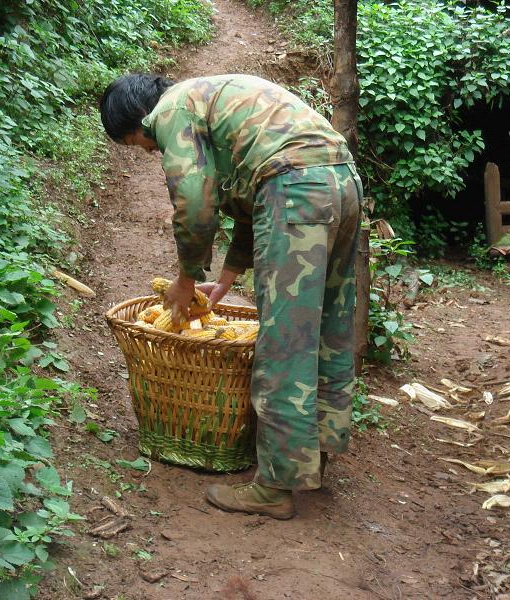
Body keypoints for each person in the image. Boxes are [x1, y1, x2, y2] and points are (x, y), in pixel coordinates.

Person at [100, 73, 362, 520]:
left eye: (136, 143)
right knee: (328, 325)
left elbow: (195, 201)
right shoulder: (217, 98)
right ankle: (316, 451)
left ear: (138, 121)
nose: (149, 151)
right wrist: (225, 278)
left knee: (284, 342)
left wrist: (186, 276)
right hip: (341, 182)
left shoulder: (172, 110)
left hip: (296, 191)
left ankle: (275, 487)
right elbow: (249, 190)